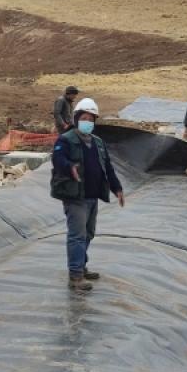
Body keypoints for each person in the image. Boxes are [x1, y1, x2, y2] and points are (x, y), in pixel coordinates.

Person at [50, 97, 125, 291]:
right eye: (84, 118)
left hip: (92, 196)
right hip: (75, 197)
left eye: (91, 119)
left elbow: (107, 167)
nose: (88, 122)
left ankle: (81, 267)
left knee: (88, 233)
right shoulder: (66, 139)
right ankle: (75, 276)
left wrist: (117, 188)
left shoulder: (98, 143)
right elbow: (57, 158)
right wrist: (69, 167)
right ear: (76, 119)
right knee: (77, 235)